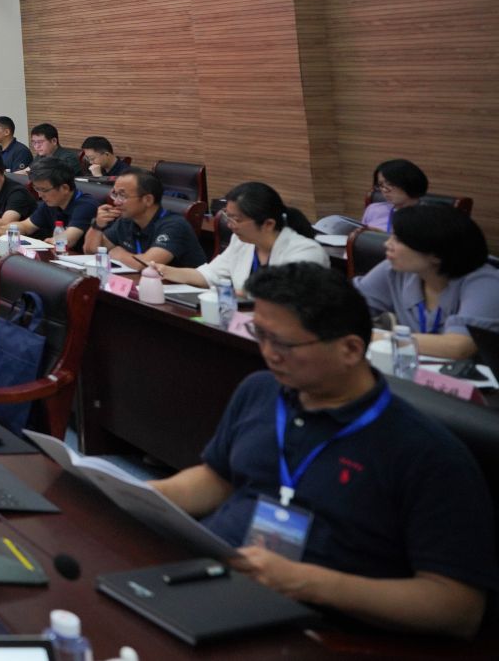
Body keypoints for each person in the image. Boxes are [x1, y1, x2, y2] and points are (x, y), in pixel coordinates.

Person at [147, 264, 494, 639]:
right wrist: (145, 496)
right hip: (215, 580)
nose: (268, 354)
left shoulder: (425, 452)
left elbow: (458, 608)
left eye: (284, 344)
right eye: (260, 334)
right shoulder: (260, 390)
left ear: (350, 349)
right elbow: (217, 478)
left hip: (320, 628)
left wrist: (308, 583)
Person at [355, 204, 499, 360]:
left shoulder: (487, 283)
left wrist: (374, 336)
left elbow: (458, 347)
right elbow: (348, 306)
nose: (387, 244)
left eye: (398, 240)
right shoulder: (395, 270)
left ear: (436, 255)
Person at [151, 182, 328, 296]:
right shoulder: (242, 242)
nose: (230, 225)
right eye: (228, 217)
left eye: (236, 219)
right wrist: (164, 270)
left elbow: (284, 300)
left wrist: (232, 295)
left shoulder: (306, 252)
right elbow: (210, 275)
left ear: (268, 224)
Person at [86, 167, 207, 269]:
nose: (116, 202)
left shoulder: (175, 225)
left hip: (184, 289)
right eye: (115, 194)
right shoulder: (126, 220)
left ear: (148, 200)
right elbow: (91, 250)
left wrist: (119, 254)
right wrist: (97, 225)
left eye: (122, 195)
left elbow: (147, 264)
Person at [18, 160, 101, 247]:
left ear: (65, 188)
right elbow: (26, 226)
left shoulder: (86, 205)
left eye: (44, 190)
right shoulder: (51, 203)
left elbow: (68, 240)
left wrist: (48, 242)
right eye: (37, 189)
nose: (40, 195)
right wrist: (9, 229)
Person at [360, 159, 428, 233]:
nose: (384, 190)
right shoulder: (374, 209)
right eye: (380, 185)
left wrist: (382, 236)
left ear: (410, 183)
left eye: (390, 184)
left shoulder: (427, 217)